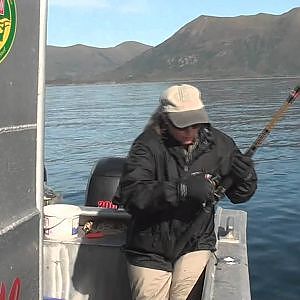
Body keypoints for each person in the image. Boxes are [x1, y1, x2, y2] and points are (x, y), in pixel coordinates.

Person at [113, 84, 257, 300]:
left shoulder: (221, 144)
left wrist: (245, 176)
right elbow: (131, 194)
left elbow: (240, 196)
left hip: (195, 242)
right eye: (182, 126)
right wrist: (180, 190)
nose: (190, 132)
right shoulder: (146, 145)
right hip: (148, 248)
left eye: (195, 124)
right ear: (165, 120)